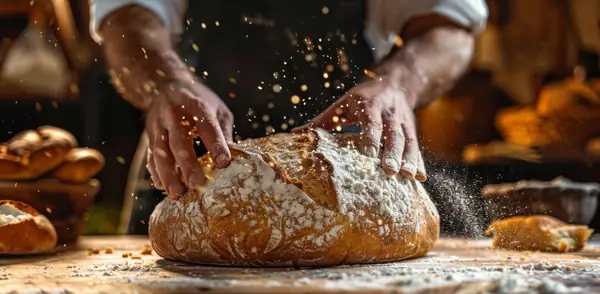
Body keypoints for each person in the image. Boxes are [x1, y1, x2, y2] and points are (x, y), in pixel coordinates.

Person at [89, 0, 488, 234]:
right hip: (193, 171)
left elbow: (448, 28)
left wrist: (398, 82)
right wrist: (166, 83)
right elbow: (128, 18)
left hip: (349, 172)